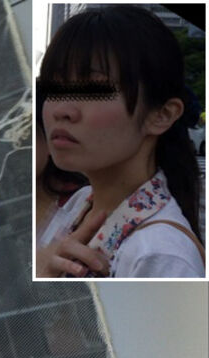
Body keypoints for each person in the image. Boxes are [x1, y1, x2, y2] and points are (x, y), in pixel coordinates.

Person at [36, 5, 205, 278]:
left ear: (162, 115)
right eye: (54, 88)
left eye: (94, 89)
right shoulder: (80, 202)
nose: (61, 110)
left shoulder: (161, 254)